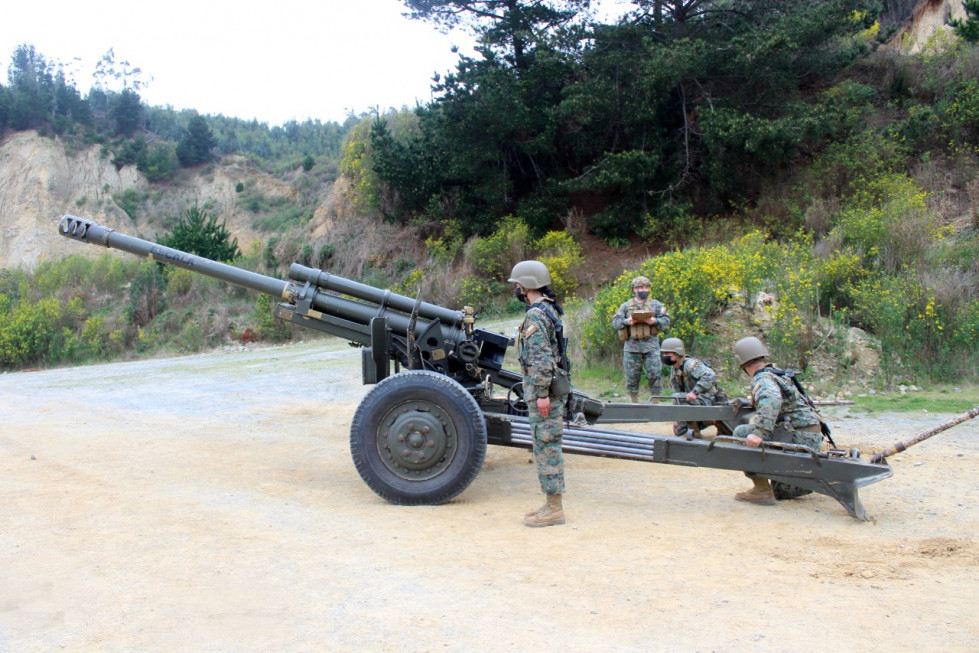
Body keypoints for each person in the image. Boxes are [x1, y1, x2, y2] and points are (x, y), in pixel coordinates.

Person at [508, 260, 569, 527]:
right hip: (546, 386)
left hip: (543, 390)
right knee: (545, 443)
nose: (517, 288)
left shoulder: (536, 314)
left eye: (518, 284)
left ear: (527, 285)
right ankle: (550, 503)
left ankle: (554, 508)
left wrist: (542, 393)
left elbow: (543, 360)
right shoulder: (548, 309)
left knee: (546, 446)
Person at [730, 336, 824, 505]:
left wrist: (760, 433)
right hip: (808, 434)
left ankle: (761, 490)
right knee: (781, 491)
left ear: (742, 363)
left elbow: (772, 400)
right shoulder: (776, 373)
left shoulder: (763, 378)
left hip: (798, 435)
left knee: (740, 433)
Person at [611, 275, 670, 403]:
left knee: (655, 375)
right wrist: (627, 321)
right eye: (640, 288)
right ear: (634, 289)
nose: (644, 290)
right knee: (632, 377)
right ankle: (634, 403)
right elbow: (615, 322)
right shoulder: (626, 306)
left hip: (651, 347)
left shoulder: (656, 304)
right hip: (632, 348)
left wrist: (655, 321)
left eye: (646, 287)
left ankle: (655, 402)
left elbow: (666, 321)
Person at [661, 337, 728, 438]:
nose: (664, 356)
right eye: (663, 354)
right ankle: (691, 427)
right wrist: (677, 419)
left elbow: (710, 375)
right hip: (694, 402)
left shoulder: (690, 365)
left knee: (678, 397)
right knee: (679, 430)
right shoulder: (674, 371)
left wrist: (694, 392)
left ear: (677, 354)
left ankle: (695, 431)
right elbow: (677, 398)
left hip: (707, 400)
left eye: (667, 354)